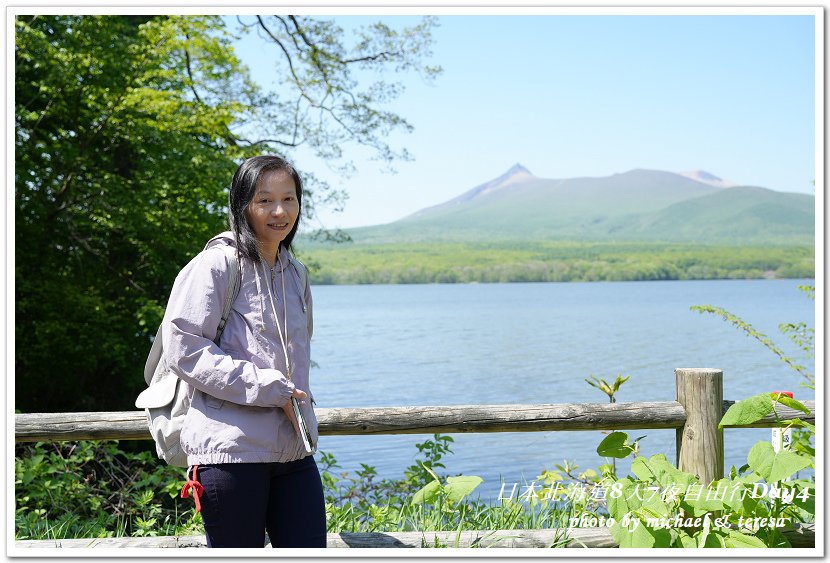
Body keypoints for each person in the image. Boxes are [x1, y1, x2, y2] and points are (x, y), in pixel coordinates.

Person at [162, 155, 326, 548]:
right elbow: (183, 348)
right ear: (242, 205)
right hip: (230, 452)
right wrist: (268, 387)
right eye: (265, 200)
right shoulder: (216, 265)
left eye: (289, 198)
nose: (280, 211)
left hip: (292, 450)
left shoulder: (296, 273)